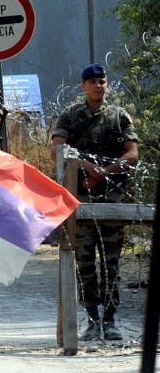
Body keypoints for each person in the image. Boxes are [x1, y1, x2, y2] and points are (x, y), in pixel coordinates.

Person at [50, 62, 139, 342]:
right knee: (84, 261)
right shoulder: (71, 115)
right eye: (93, 82)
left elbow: (132, 154)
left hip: (111, 197)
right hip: (80, 197)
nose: (98, 86)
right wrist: (86, 166)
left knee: (111, 261)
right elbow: (57, 150)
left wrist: (103, 173)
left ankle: (110, 319)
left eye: (102, 81)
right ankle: (91, 318)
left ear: (106, 84)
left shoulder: (119, 116)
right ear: (83, 86)